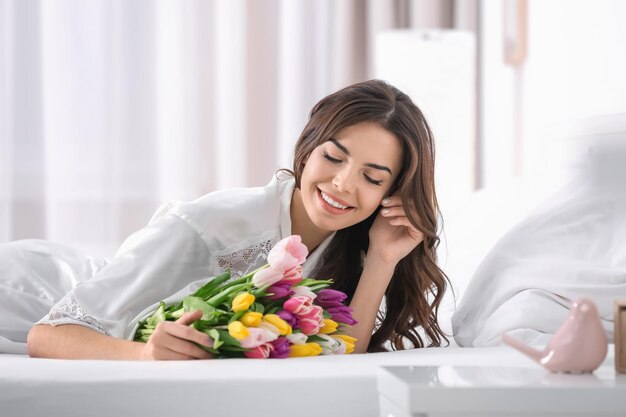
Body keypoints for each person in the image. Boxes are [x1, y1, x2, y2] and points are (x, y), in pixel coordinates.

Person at [25, 79, 449, 360]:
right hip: (34, 290)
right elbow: (46, 334)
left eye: (371, 177)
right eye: (333, 157)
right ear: (307, 149)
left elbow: (340, 355)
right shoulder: (210, 226)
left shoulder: (351, 242)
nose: (342, 183)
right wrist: (142, 355)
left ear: (391, 192)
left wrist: (382, 260)